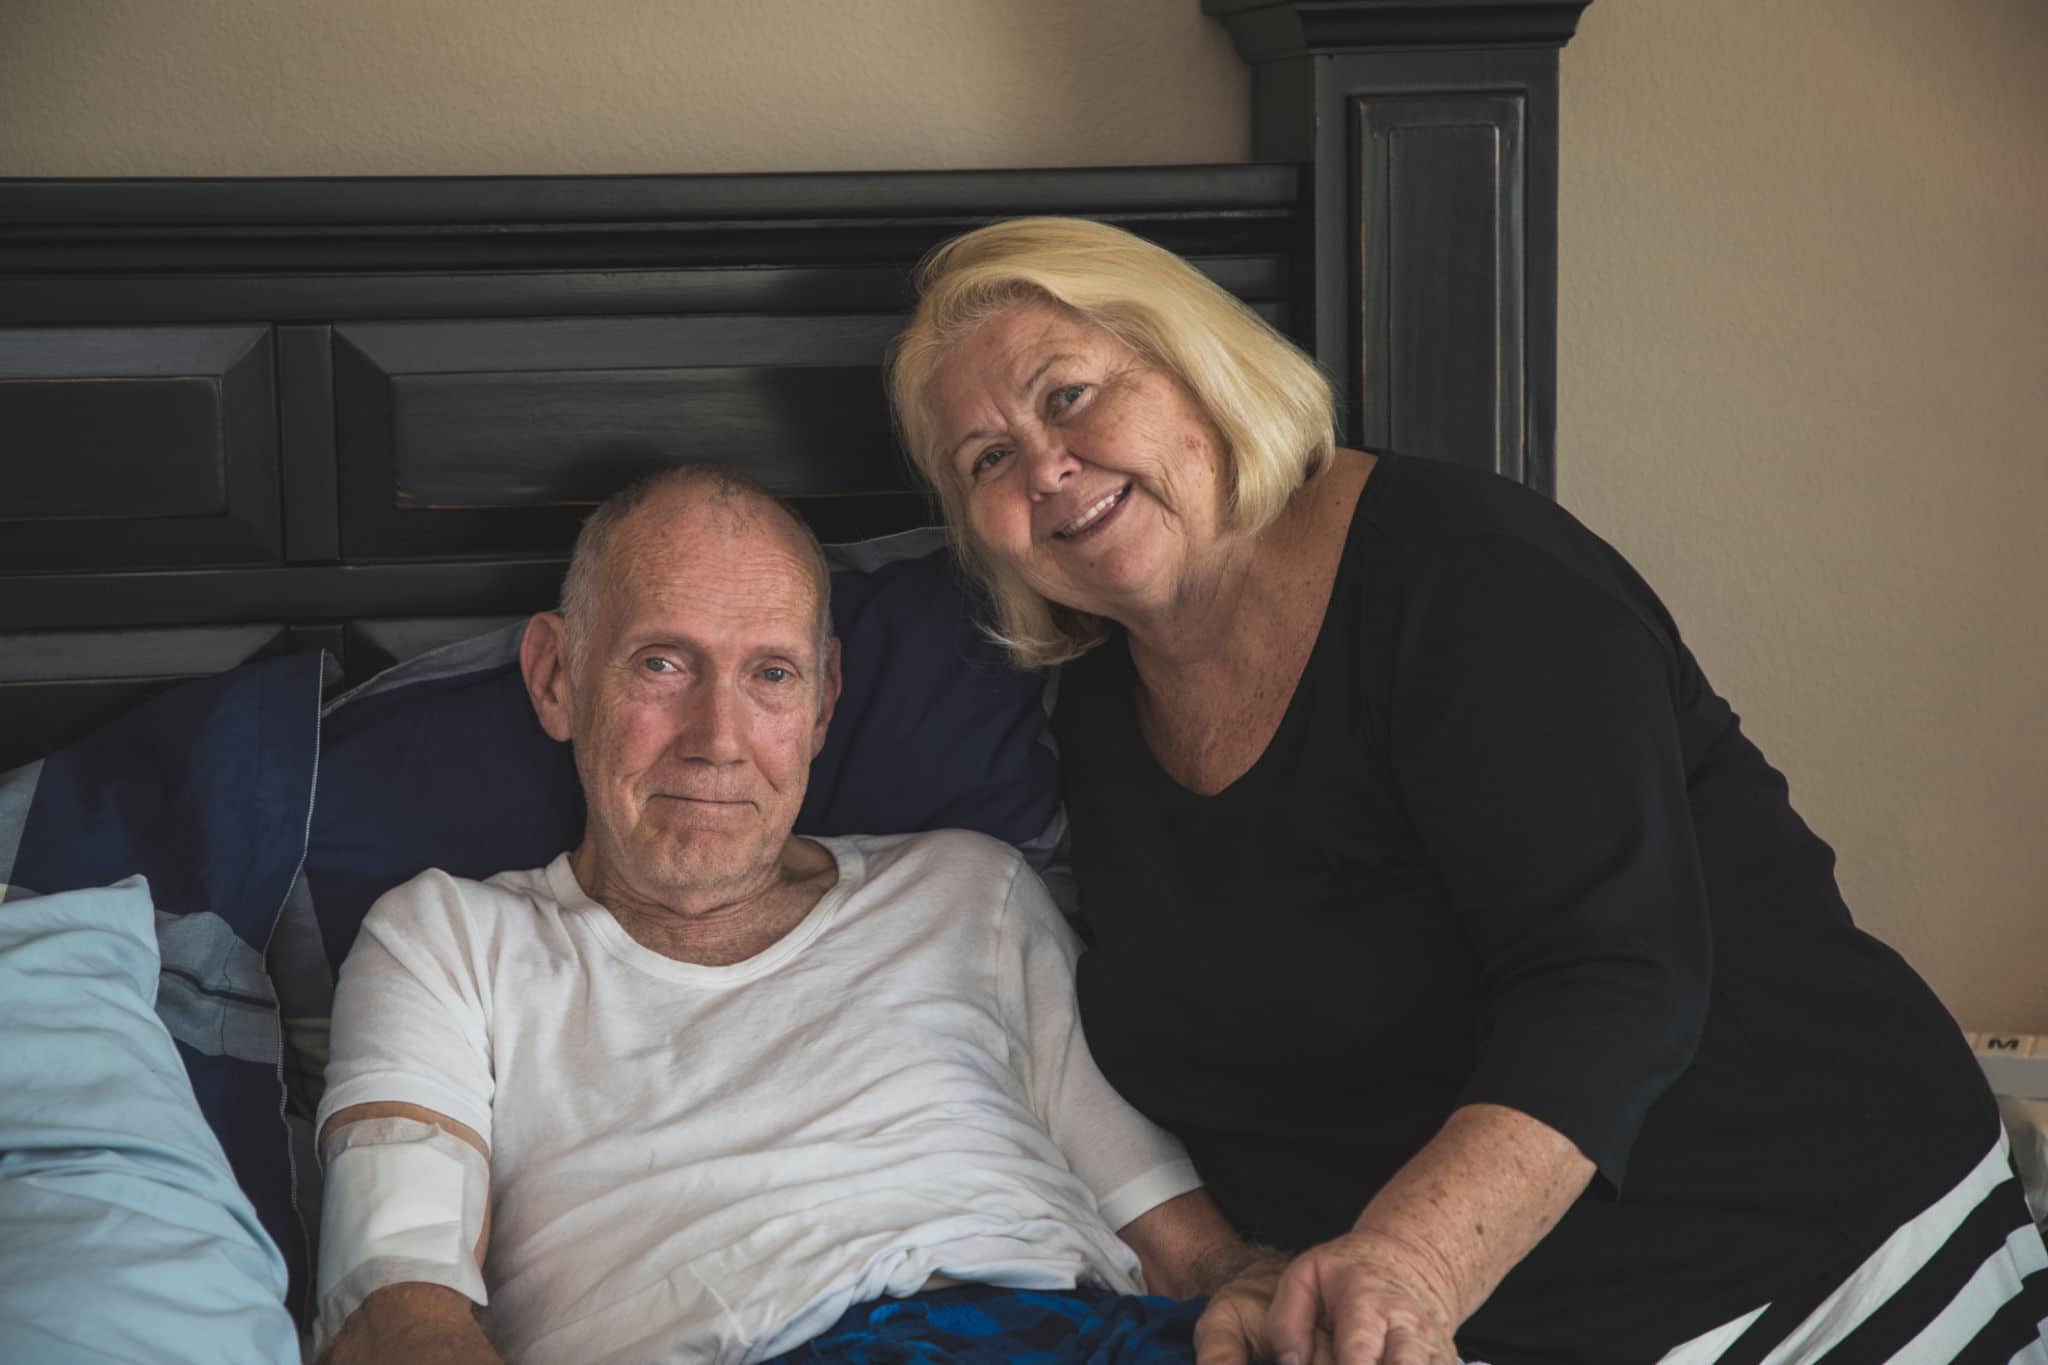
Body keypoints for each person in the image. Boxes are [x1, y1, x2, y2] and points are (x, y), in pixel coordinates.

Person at [887, 216, 2048, 1365]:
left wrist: (1406, 1266)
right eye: (986, 458)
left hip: (1801, 1245)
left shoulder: (1465, 574)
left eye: (1068, 396)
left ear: (1195, 369)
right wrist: (1244, 1270)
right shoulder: (1091, 706)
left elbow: (1612, 977)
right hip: (1451, 1318)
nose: (1045, 467)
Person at [311, 465, 1279, 1365]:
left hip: (1073, 1333)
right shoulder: (445, 941)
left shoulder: (968, 889)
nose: (717, 742)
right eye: (661, 664)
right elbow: (391, 1299)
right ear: (555, 676)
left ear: (822, 705)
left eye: (771, 675)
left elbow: (1185, 1247)